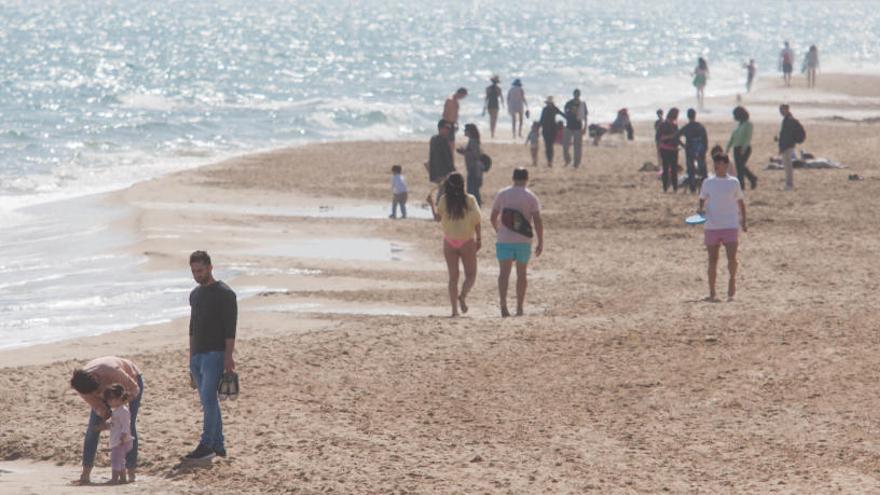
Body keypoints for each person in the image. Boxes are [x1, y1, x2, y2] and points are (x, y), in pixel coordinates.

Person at [185, 250, 237, 461]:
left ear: (210, 268)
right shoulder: (195, 294)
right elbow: (192, 327)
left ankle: (207, 444)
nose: (197, 274)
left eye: (200, 270)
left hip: (215, 355)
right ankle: (218, 445)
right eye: (194, 271)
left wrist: (228, 357)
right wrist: (190, 358)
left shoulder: (225, 293)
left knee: (209, 401)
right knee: (209, 402)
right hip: (197, 355)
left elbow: (230, 329)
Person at [70, 356, 143, 485]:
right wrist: (104, 415)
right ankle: (85, 475)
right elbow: (98, 406)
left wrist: (120, 406)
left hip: (130, 381)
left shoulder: (111, 370)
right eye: (94, 393)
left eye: (98, 390)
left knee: (128, 427)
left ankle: (130, 472)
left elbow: (135, 389)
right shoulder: (82, 386)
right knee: (93, 430)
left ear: (97, 379)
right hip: (110, 394)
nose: (98, 394)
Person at [426, 172, 481, 317]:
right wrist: (479, 239)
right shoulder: (470, 199)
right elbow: (477, 221)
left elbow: (437, 219)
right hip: (467, 240)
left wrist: (431, 203)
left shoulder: (444, 200)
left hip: (450, 241)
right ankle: (462, 295)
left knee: (453, 277)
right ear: (463, 184)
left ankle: (454, 311)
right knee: (471, 274)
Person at [490, 167, 543, 317]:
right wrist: (540, 241)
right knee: (522, 274)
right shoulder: (530, 196)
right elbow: (538, 220)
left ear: (513, 178)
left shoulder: (503, 194)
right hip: (523, 241)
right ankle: (519, 307)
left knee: (504, 274)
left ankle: (503, 306)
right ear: (527, 179)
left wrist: (499, 231)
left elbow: (493, 216)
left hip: (504, 240)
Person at [698, 152, 747, 302]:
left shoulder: (734, 182)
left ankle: (732, 280)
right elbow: (702, 199)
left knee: (732, 258)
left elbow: (741, 202)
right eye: (715, 163)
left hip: (730, 225)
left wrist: (743, 221)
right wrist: (700, 211)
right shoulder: (708, 182)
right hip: (711, 225)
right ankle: (712, 292)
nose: (717, 165)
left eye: (719, 163)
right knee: (712, 259)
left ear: (726, 165)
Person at [104, 384, 134, 484]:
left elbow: (126, 424)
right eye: (108, 399)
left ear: (120, 398)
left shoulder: (123, 411)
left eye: (111, 399)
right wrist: (106, 425)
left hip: (122, 440)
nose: (109, 401)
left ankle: (114, 478)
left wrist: (123, 436)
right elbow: (115, 424)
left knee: (115, 459)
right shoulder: (116, 411)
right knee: (120, 460)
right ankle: (123, 478)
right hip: (117, 439)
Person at [725, 106, 758, 190]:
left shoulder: (748, 124)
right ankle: (752, 178)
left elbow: (748, 137)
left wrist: (744, 148)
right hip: (736, 148)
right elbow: (732, 137)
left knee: (740, 168)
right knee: (740, 167)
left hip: (744, 148)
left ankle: (742, 185)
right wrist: (727, 148)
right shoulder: (738, 125)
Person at [677, 108, 708, 193]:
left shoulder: (687, 127)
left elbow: (676, 136)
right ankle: (705, 187)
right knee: (702, 170)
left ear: (688, 116)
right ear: (695, 115)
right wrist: (705, 149)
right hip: (700, 150)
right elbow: (705, 139)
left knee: (691, 170)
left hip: (689, 150)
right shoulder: (700, 126)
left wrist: (683, 145)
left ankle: (692, 188)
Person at [777, 104, 805, 190]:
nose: (781, 112)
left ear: (787, 110)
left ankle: (789, 184)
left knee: (788, 165)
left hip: (788, 145)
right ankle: (788, 183)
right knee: (786, 165)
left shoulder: (790, 120)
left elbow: (790, 134)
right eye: (780, 110)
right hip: (786, 145)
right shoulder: (787, 120)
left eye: (782, 110)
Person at [426, 120, 455, 196]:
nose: (448, 130)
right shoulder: (440, 140)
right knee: (443, 192)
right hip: (442, 172)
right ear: (440, 128)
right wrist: (451, 170)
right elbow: (444, 157)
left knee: (442, 191)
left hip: (439, 171)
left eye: (449, 128)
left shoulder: (435, 139)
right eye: (447, 128)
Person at [458, 123, 483, 205]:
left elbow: (475, 154)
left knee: (472, 190)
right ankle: (477, 205)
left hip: (473, 168)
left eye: (465, 130)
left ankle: (475, 206)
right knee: (474, 189)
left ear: (469, 131)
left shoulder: (473, 141)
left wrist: (464, 152)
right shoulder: (474, 140)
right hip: (474, 167)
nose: (464, 132)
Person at [562, 89, 588, 168]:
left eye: (578, 94)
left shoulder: (582, 104)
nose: (576, 95)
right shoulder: (569, 103)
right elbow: (565, 112)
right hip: (569, 126)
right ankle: (568, 160)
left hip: (578, 127)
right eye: (575, 94)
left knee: (577, 147)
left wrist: (585, 127)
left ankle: (576, 163)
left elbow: (585, 116)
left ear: (579, 95)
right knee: (565, 146)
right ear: (573, 94)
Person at [657, 107, 680, 192]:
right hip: (666, 149)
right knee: (666, 169)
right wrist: (671, 136)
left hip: (673, 149)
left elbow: (677, 137)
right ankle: (666, 188)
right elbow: (659, 137)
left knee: (673, 169)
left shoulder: (674, 125)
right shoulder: (664, 125)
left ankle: (674, 188)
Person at [537, 96, 564, 167]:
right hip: (545, 130)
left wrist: (570, 119)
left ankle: (550, 161)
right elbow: (541, 119)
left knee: (550, 146)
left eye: (550, 102)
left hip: (553, 130)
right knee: (547, 146)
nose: (549, 104)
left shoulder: (555, 109)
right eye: (548, 103)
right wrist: (537, 128)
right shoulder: (545, 109)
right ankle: (549, 161)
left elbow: (563, 115)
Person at [443, 88, 468, 155]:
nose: (462, 98)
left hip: (452, 123)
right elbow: (445, 113)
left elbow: (454, 114)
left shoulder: (455, 101)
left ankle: (449, 161)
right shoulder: (450, 100)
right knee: (450, 144)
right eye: (463, 96)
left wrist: (456, 123)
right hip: (448, 123)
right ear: (460, 94)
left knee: (450, 144)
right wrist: (446, 124)